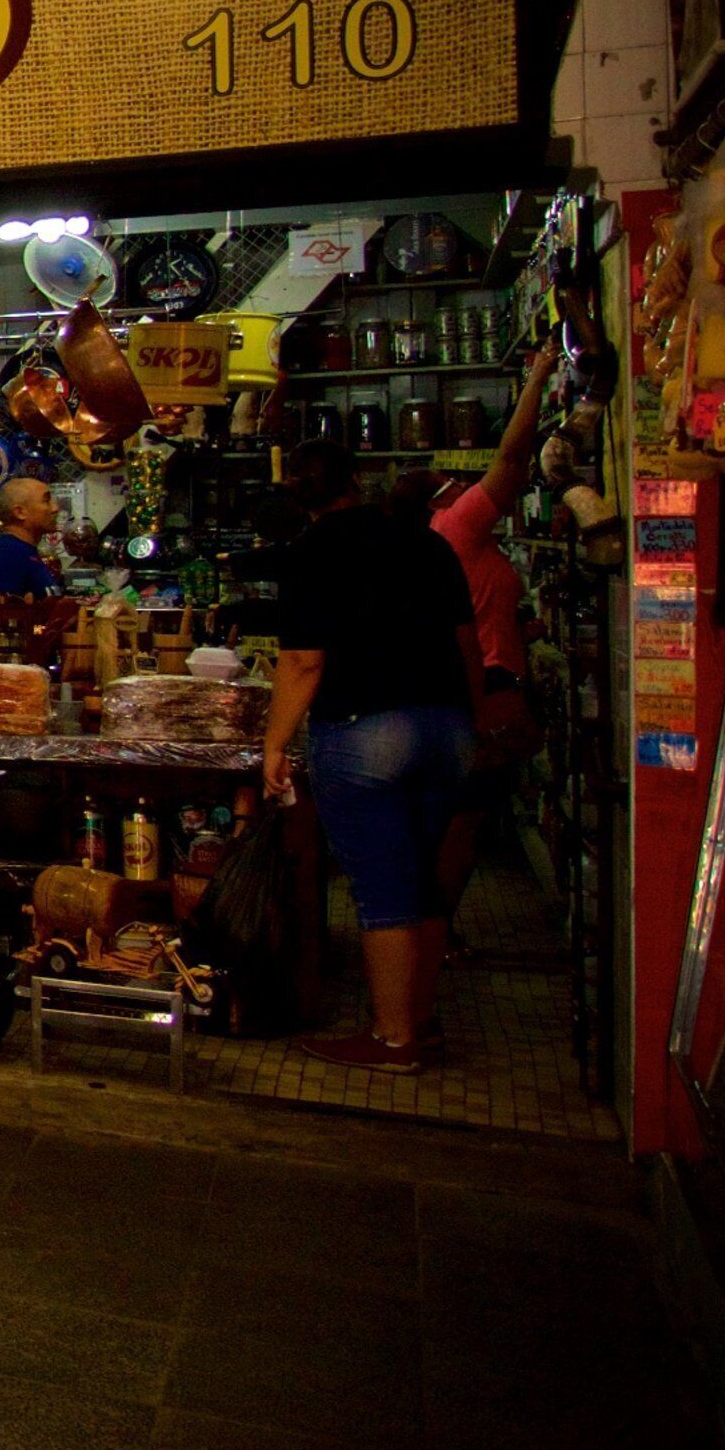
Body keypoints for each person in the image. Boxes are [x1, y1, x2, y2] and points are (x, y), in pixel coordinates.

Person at [259, 441, 478, 1074]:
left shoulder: (309, 553)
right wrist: (475, 719)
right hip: (447, 727)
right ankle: (420, 1020)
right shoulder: (426, 542)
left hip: (364, 734)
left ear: (298, 499)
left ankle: (392, 1038)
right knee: (425, 881)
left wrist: (275, 746)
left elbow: (304, 660)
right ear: (356, 480)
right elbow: (466, 641)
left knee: (382, 886)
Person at [429, 344, 560, 929]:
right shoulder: (456, 524)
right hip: (484, 694)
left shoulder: (450, 538)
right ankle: (436, 930)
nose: (461, 482)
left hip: (479, 687)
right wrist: (538, 378)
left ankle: (433, 927)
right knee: (464, 821)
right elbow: (511, 462)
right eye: (451, 480)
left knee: (461, 820)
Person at [0, 477, 63, 595]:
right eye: (46, 501)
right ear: (20, 512)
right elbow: (2, 611)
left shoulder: (23, 551)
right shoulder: (6, 555)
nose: (55, 508)